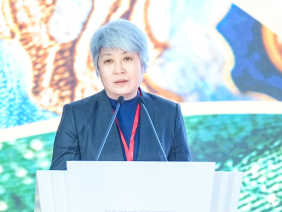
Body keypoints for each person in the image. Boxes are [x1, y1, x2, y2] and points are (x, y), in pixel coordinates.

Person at [50, 19, 191, 170]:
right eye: (108, 60)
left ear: (143, 63)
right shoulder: (77, 115)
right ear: (98, 68)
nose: (118, 70)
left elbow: (184, 175)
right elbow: (60, 176)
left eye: (127, 58)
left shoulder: (169, 112)